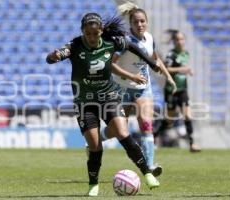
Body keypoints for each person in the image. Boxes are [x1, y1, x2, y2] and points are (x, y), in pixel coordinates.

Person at [46, 12, 163, 196]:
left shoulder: (111, 42)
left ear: (101, 31)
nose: (92, 37)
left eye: (95, 33)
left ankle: (147, 173)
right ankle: (93, 184)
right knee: (95, 145)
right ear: (83, 32)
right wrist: (53, 57)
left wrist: (151, 62)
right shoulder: (75, 45)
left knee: (123, 133)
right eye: (88, 33)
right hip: (85, 103)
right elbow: (56, 56)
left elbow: (132, 46)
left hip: (109, 97)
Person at [98, 3, 177, 177]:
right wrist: (131, 76)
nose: (140, 25)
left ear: (146, 22)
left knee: (146, 124)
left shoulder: (149, 38)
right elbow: (110, 65)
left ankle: (149, 166)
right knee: (117, 129)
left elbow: (155, 59)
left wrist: (168, 77)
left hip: (143, 89)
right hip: (121, 89)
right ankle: (97, 140)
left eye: (142, 21)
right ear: (131, 24)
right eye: (136, 22)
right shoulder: (124, 42)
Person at [155, 29, 201, 152]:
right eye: (177, 39)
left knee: (187, 115)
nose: (180, 41)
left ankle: (192, 144)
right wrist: (183, 69)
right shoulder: (171, 55)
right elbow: (165, 69)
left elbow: (184, 70)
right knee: (169, 121)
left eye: (181, 39)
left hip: (183, 90)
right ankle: (154, 136)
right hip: (171, 90)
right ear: (174, 42)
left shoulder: (186, 53)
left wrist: (188, 71)